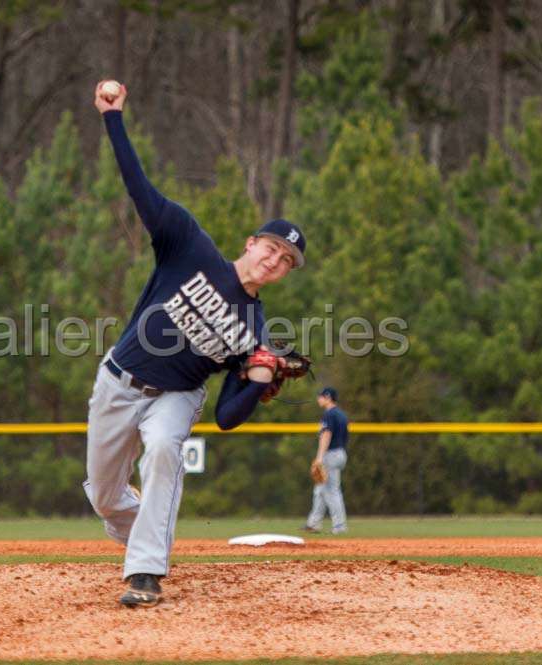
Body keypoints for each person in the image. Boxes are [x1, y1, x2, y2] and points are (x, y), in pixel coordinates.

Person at [85, 80, 307, 608]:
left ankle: (144, 573)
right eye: (271, 249)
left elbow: (228, 418)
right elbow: (139, 188)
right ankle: (146, 533)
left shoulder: (255, 332)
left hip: (176, 396)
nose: (274, 261)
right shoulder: (189, 244)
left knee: (164, 449)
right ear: (251, 243)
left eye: (285, 262)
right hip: (118, 380)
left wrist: (257, 378)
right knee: (103, 496)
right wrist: (112, 119)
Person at [304, 386, 349, 534]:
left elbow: (326, 435)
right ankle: (313, 523)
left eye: (321, 396)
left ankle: (339, 526)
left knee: (331, 491)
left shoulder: (329, 414)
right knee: (320, 490)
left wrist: (319, 458)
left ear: (328, 397)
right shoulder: (341, 414)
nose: (319, 399)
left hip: (331, 454)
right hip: (340, 452)